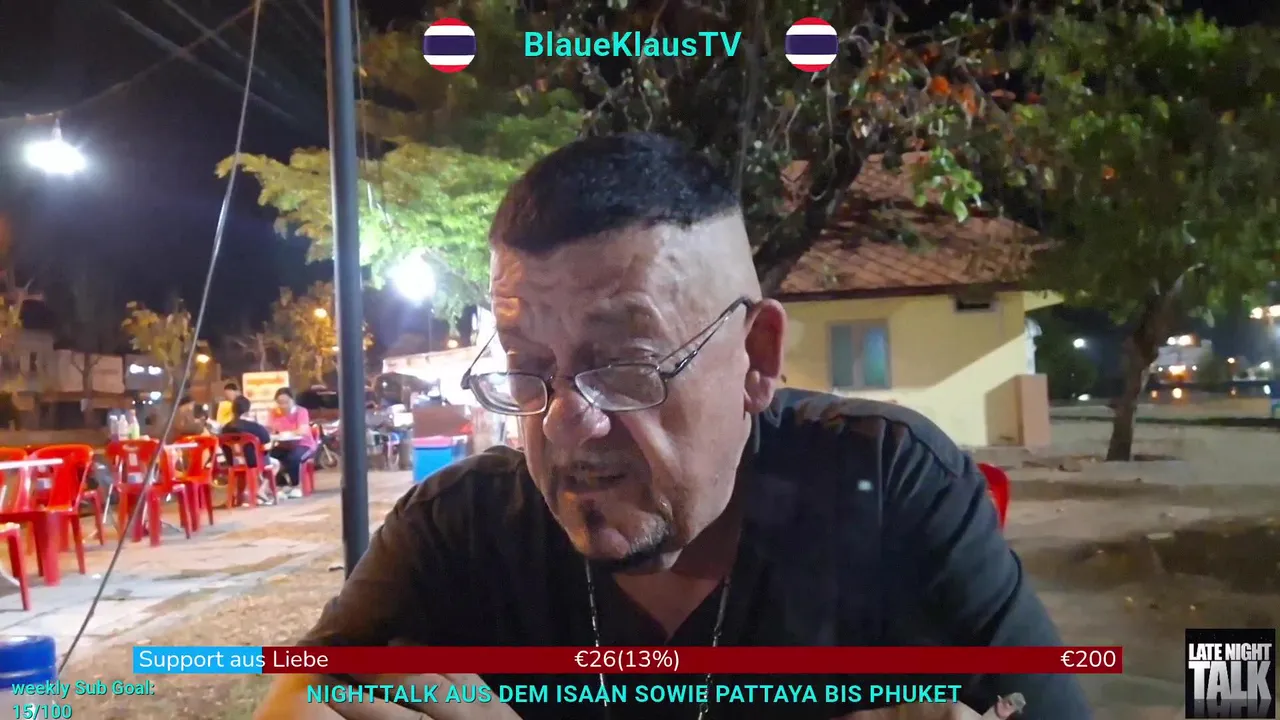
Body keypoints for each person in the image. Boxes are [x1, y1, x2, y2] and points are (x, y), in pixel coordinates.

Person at [254, 134, 1089, 720]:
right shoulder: (458, 530)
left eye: (624, 367)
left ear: (757, 357)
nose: (567, 424)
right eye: (528, 367)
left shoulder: (888, 490)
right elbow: (299, 695)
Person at [220, 395, 279, 505]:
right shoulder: (256, 427)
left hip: (234, 463)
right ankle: (261, 490)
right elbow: (267, 446)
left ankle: (240, 496)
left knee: (243, 467)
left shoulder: (225, 428)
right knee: (275, 464)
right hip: (253, 462)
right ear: (248, 410)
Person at [266, 387, 315, 499]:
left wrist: (287, 433)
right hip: (284, 445)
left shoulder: (301, 412)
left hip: (304, 444)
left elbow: (303, 430)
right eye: (280, 403)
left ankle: (295, 486)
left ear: (293, 400)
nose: (283, 405)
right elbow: (269, 429)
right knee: (270, 457)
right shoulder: (274, 413)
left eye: (286, 402)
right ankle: (281, 485)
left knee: (294, 458)